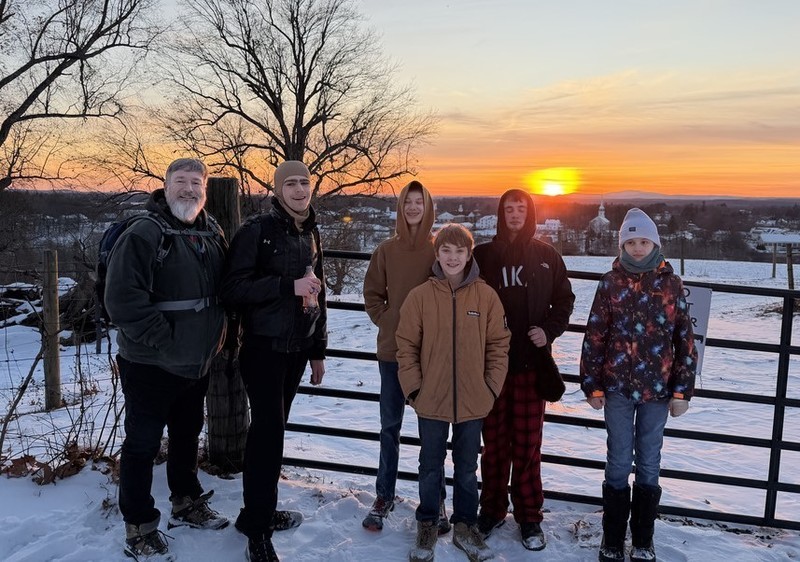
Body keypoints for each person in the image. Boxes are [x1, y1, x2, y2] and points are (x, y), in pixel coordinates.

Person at [105, 158, 229, 560]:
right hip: (149, 363)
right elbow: (122, 300)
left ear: (205, 190)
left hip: (196, 362)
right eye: (181, 181)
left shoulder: (211, 232)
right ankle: (139, 526)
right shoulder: (145, 233)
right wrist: (167, 341)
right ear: (165, 185)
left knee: (187, 434)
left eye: (197, 183)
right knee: (142, 444)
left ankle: (186, 501)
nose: (189, 189)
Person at [221, 160, 327, 562]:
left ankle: (257, 512)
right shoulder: (257, 231)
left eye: (305, 182)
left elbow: (319, 292)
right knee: (267, 436)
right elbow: (232, 288)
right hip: (263, 349)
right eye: (291, 184)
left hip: (297, 350)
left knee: (274, 432)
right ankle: (257, 529)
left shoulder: (311, 230)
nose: (300, 189)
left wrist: (318, 350)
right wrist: (287, 286)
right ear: (278, 189)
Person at [580, 207, 697, 562]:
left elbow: (685, 341)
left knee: (648, 461)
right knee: (617, 460)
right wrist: (592, 385)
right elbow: (595, 335)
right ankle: (612, 540)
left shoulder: (672, 285)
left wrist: (681, 391)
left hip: (657, 392)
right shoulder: (609, 283)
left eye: (643, 241)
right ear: (622, 245)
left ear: (654, 243)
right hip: (616, 388)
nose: (637, 248)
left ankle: (643, 541)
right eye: (630, 241)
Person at [396, 223, 510, 562]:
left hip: (474, 400)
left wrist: (490, 388)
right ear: (437, 253)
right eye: (446, 250)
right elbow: (406, 345)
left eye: (459, 251)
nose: (453, 257)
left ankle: (465, 526)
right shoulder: (421, 296)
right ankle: (429, 521)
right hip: (430, 398)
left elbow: (499, 345)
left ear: (469, 254)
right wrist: (414, 388)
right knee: (430, 464)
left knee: (465, 467)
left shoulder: (486, 296)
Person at [472, 188, 575, 551]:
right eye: (508, 209)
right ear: (500, 213)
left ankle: (529, 517)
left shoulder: (547, 256)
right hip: (492, 366)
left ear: (529, 213)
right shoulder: (482, 255)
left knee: (529, 447)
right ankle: (492, 509)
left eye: (521, 209)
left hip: (532, 366)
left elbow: (565, 299)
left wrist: (547, 331)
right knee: (495, 444)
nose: (515, 214)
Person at [361, 181, 450, 534]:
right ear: (400, 207)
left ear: (428, 207)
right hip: (392, 353)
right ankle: (384, 495)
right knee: (390, 427)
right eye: (408, 202)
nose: (413, 207)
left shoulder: (438, 251)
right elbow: (372, 294)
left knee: (432, 433)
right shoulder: (385, 250)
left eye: (420, 202)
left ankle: (435, 501)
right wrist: (389, 320)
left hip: (429, 356)